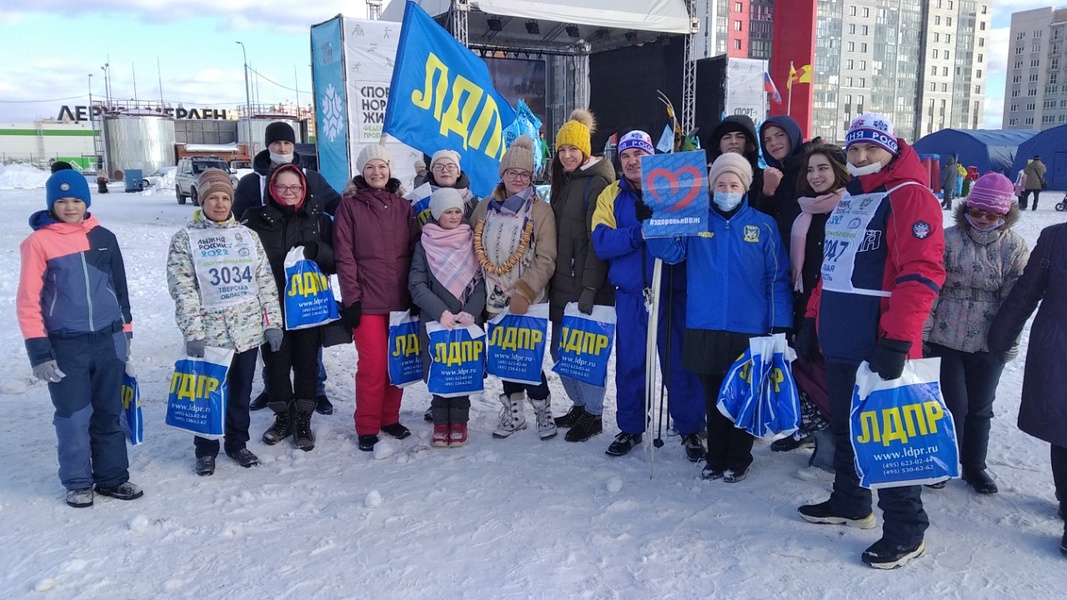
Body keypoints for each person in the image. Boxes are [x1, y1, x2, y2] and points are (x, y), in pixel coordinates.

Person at [794, 113, 946, 569]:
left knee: (889, 436)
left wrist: (899, 339)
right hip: (840, 334)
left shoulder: (911, 196)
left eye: (871, 150)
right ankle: (850, 501)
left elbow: (922, 272)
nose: (861, 157)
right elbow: (832, 268)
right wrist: (812, 321)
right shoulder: (852, 198)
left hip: (879, 337)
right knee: (845, 428)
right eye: (854, 149)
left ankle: (906, 529)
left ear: (891, 150)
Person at [647, 153, 792, 482]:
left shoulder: (762, 225)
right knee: (713, 395)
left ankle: (739, 455)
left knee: (744, 396)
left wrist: (779, 322)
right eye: (721, 184)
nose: (728, 189)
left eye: (734, 184)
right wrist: (657, 219)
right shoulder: (696, 221)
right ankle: (716, 455)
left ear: (745, 188)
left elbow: (777, 277)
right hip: (705, 323)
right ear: (712, 188)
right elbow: (670, 253)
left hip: (750, 327)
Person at [17, 170, 142, 507]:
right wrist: (40, 353)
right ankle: (77, 481)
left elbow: (120, 288)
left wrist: (125, 332)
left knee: (110, 412)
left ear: (86, 201)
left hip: (108, 339)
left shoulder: (104, 237)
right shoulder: (38, 243)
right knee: (73, 417)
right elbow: (28, 301)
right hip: (65, 344)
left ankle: (113, 477)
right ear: (51, 204)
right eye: (61, 200)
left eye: (76, 200)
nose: (69, 207)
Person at [591, 130, 705, 461]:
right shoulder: (611, 195)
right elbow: (602, 242)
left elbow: (690, 231)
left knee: (679, 363)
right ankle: (631, 426)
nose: (631, 162)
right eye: (626, 156)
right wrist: (639, 232)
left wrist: (661, 225)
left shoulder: (670, 188)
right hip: (632, 294)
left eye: (638, 155)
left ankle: (690, 428)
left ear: (651, 157)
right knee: (631, 362)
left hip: (669, 290)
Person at [166, 169, 284, 476]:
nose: (219, 204)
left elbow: (265, 282)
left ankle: (237, 442)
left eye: (225, 198)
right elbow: (183, 289)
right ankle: (205, 449)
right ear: (202, 200)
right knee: (208, 392)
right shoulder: (185, 240)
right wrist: (193, 332)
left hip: (246, 330)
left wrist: (272, 322)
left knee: (241, 390)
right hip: (210, 334)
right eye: (213, 198)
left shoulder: (247, 236)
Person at [925, 173, 1029, 495]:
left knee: (981, 406)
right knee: (951, 404)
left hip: (989, 339)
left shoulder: (1014, 247)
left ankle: (974, 465)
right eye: (977, 212)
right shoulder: (948, 239)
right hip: (945, 335)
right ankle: (944, 460)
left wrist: (1009, 339)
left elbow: (1017, 300)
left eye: (991, 214)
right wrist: (925, 328)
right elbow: (930, 286)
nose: (982, 220)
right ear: (967, 208)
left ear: (1004, 214)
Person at [234, 121, 341, 416]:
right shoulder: (249, 182)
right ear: (267, 147)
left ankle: (316, 391)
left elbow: (338, 206)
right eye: (276, 144)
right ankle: (273, 389)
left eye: (287, 144)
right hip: (269, 277)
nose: (282, 148)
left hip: (305, 277)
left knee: (308, 338)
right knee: (273, 344)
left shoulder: (312, 178)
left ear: (295, 146)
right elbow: (235, 222)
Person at [242, 164, 336, 452]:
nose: (289, 192)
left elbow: (335, 260)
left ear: (304, 188)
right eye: (282, 187)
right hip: (272, 308)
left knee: (307, 364)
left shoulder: (319, 219)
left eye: (294, 187)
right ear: (272, 188)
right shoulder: (256, 219)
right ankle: (283, 417)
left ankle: (304, 420)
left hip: (307, 307)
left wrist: (316, 251)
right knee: (276, 366)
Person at [471, 135, 558, 440]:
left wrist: (525, 291)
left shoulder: (541, 210)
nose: (518, 179)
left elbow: (546, 257)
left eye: (524, 174)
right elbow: (469, 246)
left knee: (526, 356)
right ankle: (515, 413)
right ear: (502, 174)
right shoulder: (485, 207)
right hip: (494, 297)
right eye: (512, 173)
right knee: (506, 357)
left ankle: (543, 409)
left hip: (527, 299)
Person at [334, 143, 419, 452]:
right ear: (361, 171)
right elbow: (345, 256)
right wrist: (352, 299)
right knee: (372, 364)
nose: (376, 172)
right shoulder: (349, 207)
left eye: (381, 166)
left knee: (396, 363)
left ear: (389, 169)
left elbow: (414, 253)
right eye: (370, 167)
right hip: (367, 301)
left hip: (399, 300)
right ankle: (368, 425)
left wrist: (414, 293)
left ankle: (389, 417)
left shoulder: (402, 207)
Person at [989, 222, 1067, 557]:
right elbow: (1027, 291)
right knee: (1062, 424)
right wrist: (1000, 337)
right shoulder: (1056, 238)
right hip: (1059, 345)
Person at [773, 144, 849, 464]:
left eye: (823, 168)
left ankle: (831, 447)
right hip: (804, 302)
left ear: (838, 171)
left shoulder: (850, 209)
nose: (816, 176)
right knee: (803, 370)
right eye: (811, 170)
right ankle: (810, 431)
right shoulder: (805, 211)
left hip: (834, 308)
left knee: (827, 378)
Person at [548, 109, 616, 442]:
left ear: (586, 150)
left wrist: (589, 288)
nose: (567, 155)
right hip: (563, 282)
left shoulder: (598, 181)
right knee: (560, 352)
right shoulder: (567, 180)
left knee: (584, 353)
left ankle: (594, 413)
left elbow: (596, 241)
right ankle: (579, 405)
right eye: (562, 149)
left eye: (573, 149)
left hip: (585, 285)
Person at [409, 188, 486, 447]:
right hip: (434, 321)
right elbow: (417, 284)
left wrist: (471, 312)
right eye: (447, 212)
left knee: (463, 372)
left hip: (466, 321)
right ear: (436, 214)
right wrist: (440, 311)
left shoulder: (472, 240)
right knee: (440, 370)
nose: (453, 216)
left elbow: (483, 282)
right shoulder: (424, 243)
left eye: (456, 211)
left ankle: (460, 422)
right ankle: (441, 422)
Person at [755, 115, 811, 247]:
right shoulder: (772, 175)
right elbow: (762, 223)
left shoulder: (811, 168)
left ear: (792, 134)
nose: (773, 143)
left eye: (779, 135)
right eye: (767, 140)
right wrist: (767, 193)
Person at [404, 149, 478, 229]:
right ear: (432, 171)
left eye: (450, 166)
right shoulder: (417, 200)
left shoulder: (472, 203)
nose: (445, 170)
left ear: (458, 172)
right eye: (439, 167)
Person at [705, 114, 764, 202]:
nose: (733, 142)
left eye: (740, 137)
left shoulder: (762, 178)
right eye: (727, 137)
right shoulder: (703, 178)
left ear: (749, 143)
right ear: (718, 145)